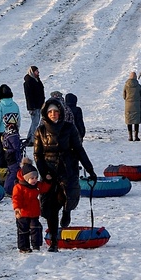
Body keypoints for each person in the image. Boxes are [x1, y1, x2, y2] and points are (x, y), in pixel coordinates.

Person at [34, 98, 96, 244]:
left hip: (67, 167)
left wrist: (90, 169)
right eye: (50, 112)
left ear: (60, 112)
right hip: (49, 169)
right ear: (46, 113)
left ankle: (67, 211)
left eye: (56, 111)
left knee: (68, 196)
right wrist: (44, 172)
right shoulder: (40, 131)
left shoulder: (69, 128)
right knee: (49, 206)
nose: (53, 114)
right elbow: (37, 155)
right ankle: (54, 241)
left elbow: (79, 149)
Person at [11, 167, 48, 253]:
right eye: (32, 178)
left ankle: (36, 245)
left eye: (36, 178)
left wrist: (48, 181)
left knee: (36, 228)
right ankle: (24, 247)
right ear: (26, 178)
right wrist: (17, 208)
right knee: (23, 230)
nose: (34, 180)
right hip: (22, 213)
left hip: (34, 212)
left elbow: (44, 188)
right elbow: (16, 198)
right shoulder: (19, 187)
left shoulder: (36, 185)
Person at [0, 84, 19, 170]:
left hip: (0, 134)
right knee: (11, 154)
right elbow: (18, 120)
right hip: (12, 134)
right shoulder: (15, 105)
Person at [23, 66, 45, 147]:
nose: (38, 73)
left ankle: (29, 138)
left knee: (35, 122)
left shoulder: (37, 80)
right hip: (34, 106)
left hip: (39, 105)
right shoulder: (28, 82)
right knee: (35, 123)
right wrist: (31, 107)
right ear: (32, 72)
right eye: (36, 71)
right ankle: (32, 140)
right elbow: (28, 96)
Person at [2, 116, 24, 196]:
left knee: (11, 171)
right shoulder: (13, 133)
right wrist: (21, 145)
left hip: (8, 154)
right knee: (14, 171)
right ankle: (8, 189)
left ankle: (9, 188)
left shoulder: (6, 132)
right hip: (13, 156)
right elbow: (16, 146)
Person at [123, 71, 141, 141]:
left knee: (129, 121)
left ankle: (130, 136)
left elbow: (124, 96)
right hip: (136, 105)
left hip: (128, 105)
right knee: (136, 121)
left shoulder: (126, 85)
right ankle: (136, 136)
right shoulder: (138, 86)